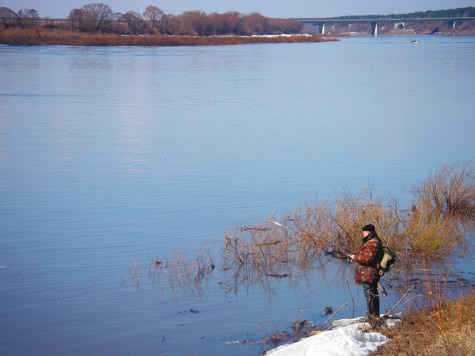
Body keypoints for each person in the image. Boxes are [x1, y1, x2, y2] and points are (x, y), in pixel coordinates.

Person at [349, 224, 384, 327]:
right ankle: (373, 318)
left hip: (369, 273)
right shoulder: (372, 241)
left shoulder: (372, 243)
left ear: (368, 232)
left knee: (370, 295)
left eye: (363, 232)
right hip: (368, 273)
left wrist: (355, 257)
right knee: (370, 294)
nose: (362, 234)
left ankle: (374, 319)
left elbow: (367, 259)